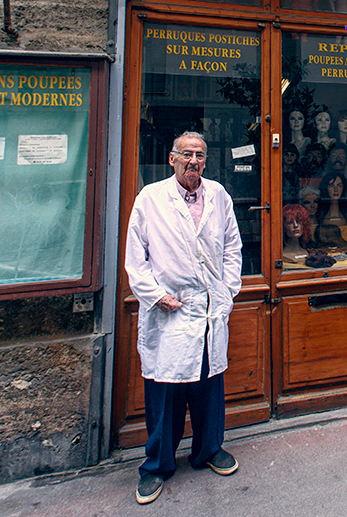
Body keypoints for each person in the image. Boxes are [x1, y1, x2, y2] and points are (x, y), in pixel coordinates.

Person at [125, 132, 242, 505]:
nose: (193, 161)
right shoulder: (151, 198)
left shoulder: (219, 195)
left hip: (208, 308)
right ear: (172, 159)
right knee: (167, 391)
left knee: (209, 384)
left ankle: (208, 449)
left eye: (200, 155)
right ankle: (156, 466)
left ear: (206, 162)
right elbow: (135, 257)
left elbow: (232, 246)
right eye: (186, 154)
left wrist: (227, 291)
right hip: (170, 310)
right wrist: (155, 295)